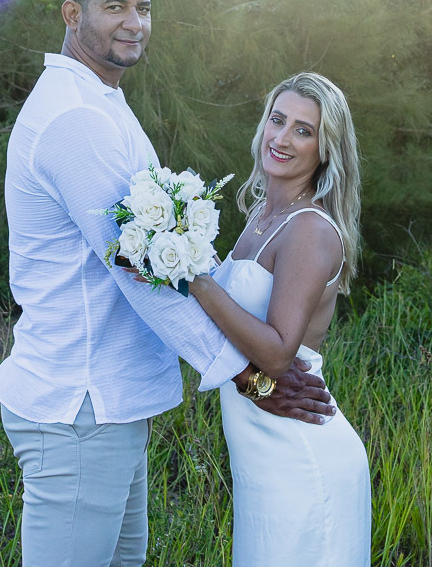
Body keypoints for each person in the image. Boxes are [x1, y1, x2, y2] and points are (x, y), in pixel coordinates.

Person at [0, 0, 334, 567]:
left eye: (143, 8)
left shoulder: (102, 104)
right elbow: (140, 273)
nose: (133, 22)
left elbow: (161, 263)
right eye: (114, 6)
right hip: (80, 405)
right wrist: (247, 375)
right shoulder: (76, 121)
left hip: (109, 404)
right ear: (73, 14)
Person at [185, 71, 371, 566]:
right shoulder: (260, 218)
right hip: (261, 454)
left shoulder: (309, 229)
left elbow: (276, 351)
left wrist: (194, 279)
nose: (282, 138)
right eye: (278, 119)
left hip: (301, 454)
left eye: (303, 130)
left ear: (325, 149)